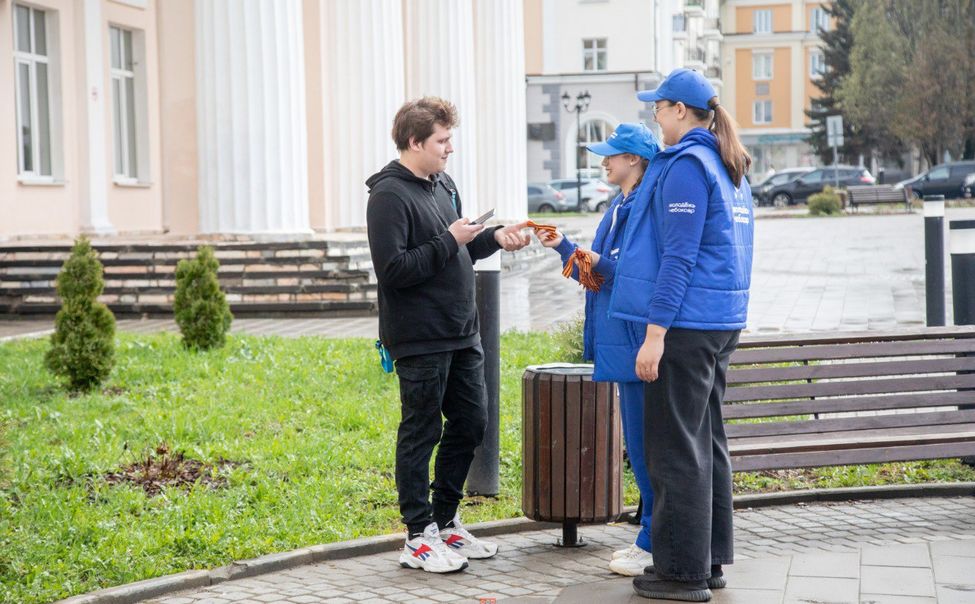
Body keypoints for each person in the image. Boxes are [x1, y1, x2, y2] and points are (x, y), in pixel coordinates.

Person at [365, 97, 530, 574]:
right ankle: (416, 536)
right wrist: (451, 239)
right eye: (442, 141)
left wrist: (493, 237)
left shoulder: (442, 185)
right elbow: (393, 269)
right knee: (421, 431)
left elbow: (460, 250)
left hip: (462, 332)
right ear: (415, 142)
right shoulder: (388, 197)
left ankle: (445, 520)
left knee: (471, 424)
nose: (450, 149)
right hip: (420, 337)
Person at [609, 68, 754, 601]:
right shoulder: (725, 161)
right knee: (707, 443)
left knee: (676, 450)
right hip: (720, 322)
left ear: (678, 111)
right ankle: (708, 563)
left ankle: (680, 573)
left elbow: (678, 259)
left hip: (687, 325)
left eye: (658, 107)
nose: (654, 115)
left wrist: (654, 334)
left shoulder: (688, 166)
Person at [534, 123, 660, 576]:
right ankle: (649, 534)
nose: (603, 161)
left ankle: (652, 540)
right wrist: (564, 247)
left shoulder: (644, 206)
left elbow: (628, 272)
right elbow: (601, 277)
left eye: (612, 155)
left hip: (633, 340)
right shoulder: (618, 205)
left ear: (635, 160)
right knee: (640, 445)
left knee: (646, 448)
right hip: (619, 338)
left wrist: (582, 252)